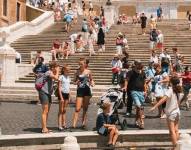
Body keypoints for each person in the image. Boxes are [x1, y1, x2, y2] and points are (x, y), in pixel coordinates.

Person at [150, 76, 182, 149]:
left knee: (172, 131)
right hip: (177, 112)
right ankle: (177, 146)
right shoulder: (179, 89)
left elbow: (163, 99)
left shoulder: (170, 90)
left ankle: (175, 147)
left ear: (171, 82)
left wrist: (154, 106)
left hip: (171, 113)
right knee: (176, 130)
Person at [36, 62, 59, 133]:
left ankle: (45, 127)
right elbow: (56, 78)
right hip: (43, 93)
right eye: (56, 67)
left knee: (47, 111)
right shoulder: (49, 72)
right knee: (45, 111)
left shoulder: (50, 73)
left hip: (48, 93)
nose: (57, 69)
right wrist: (57, 72)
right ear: (53, 67)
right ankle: (44, 129)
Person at [72, 59, 94, 129]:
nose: (80, 65)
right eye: (79, 64)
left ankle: (83, 123)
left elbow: (91, 79)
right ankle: (74, 124)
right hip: (80, 91)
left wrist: (92, 83)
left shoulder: (88, 71)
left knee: (85, 108)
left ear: (85, 64)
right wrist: (76, 83)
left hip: (87, 90)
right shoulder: (77, 72)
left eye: (81, 64)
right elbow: (74, 81)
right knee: (77, 108)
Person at [123, 61, 146, 129]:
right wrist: (125, 87)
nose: (141, 65)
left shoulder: (143, 72)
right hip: (133, 91)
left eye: (141, 64)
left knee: (138, 108)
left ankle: (136, 121)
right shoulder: (130, 72)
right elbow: (127, 80)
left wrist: (145, 91)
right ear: (135, 65)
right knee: (139, 106)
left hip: (141, 91)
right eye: (139, 64)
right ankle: (142, 122)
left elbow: (144, 82)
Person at [58, 65, 71, 131]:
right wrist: (61, 97)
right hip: (62, 94)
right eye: (67, 69)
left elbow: (69, 87)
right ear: (64, 70)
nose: (69, 71)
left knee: (64, 110)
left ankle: (64, 124)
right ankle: (59, 125)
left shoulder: (68, 77)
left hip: (67, 94)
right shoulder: (61, 77)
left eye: (69, 69)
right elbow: (59, 88)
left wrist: (69, 96)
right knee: (60, 110)